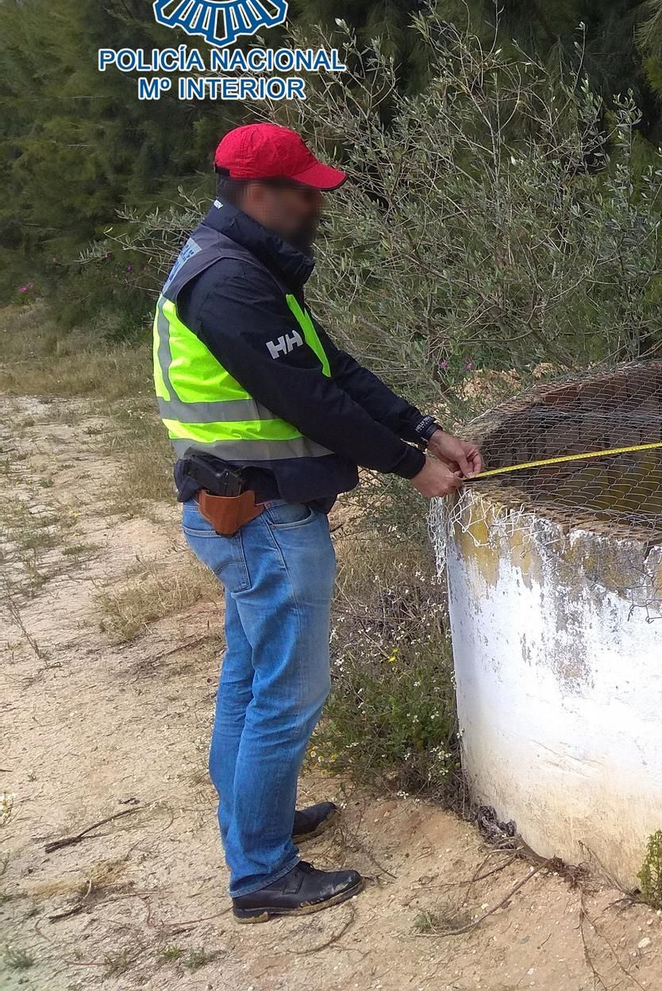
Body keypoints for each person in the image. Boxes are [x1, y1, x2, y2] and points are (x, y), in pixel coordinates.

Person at [152, 122, 483, 921]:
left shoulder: (245, 267)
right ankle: (263, 873)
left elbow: (332, 366)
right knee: (286, 695)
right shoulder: (229, 283)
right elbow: (310, 400)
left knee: (248, 677)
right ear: (258, 195)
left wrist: (427, 428)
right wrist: (411, 467)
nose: (316, 205)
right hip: (263, 515)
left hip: (245, 507)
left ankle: (252, 823)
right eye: (305, 192)